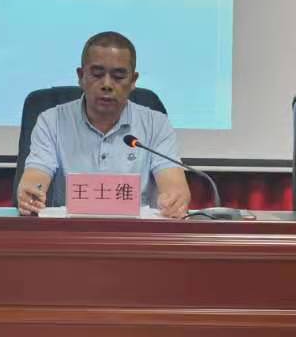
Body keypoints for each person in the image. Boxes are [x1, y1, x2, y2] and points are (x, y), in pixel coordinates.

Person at [17, 32, 191, 219]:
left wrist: (175, 201)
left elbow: (174, 186)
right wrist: (31, 193)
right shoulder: (52, 121)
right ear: (81, 76)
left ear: (133, 80)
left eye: (118, 76)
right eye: (97, 74)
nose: (107, 84)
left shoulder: (156, 124)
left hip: (136, 232)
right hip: (71, 231)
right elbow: (36, 175)